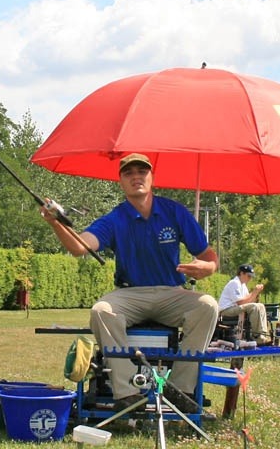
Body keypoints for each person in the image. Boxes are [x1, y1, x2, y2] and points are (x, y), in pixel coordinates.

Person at [40, 152, 219, 415]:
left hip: (171, 291)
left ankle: (180, 389)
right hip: (130, 294)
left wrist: (208, 267)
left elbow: (210, 256)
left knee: (208, 306)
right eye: (128, 173)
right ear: (121, 182)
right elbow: (80, 247)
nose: (136, 177)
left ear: (152, 177)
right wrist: (56, 223)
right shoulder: (114, 219)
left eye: (142, 171)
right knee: (101, 311)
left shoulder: (175, 212)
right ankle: (127, 393)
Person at [217, 264, 272, 344]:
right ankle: (256, 336)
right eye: (248, 276)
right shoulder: (234, 283)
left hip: (236, 309)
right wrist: (254, 292)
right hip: (227, 311)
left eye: (251, 276)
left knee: (260, 305)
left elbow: (248, 301)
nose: (250, 278)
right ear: (242, 273)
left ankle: (262, 334)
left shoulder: (243, 286)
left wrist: (256, 293)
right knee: (254, 306)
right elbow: (240, 302)